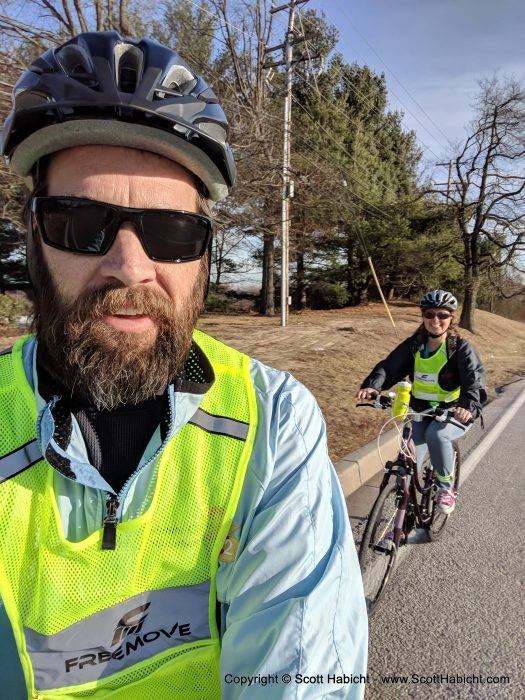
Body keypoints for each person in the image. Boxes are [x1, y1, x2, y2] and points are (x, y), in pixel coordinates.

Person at [0, 32, 367, 699]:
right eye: (81, 222)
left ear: (202, 256)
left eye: (169, 232)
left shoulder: (270, 424)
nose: (131, 266)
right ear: (32, 237)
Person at [356, 289, 486, 514]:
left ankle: (445, 488)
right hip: (420, 410)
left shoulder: (460, 349)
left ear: (451, 318)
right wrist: (372, 386)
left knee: (437, 435)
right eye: (430, 314)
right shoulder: (415, 345)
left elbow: (474, 383)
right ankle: (401, 522)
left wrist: (467, 407)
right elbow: (389, 367)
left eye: (442, 315)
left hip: (452, 412)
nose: (435, 320)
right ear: (423, 316)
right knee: (408, 462)